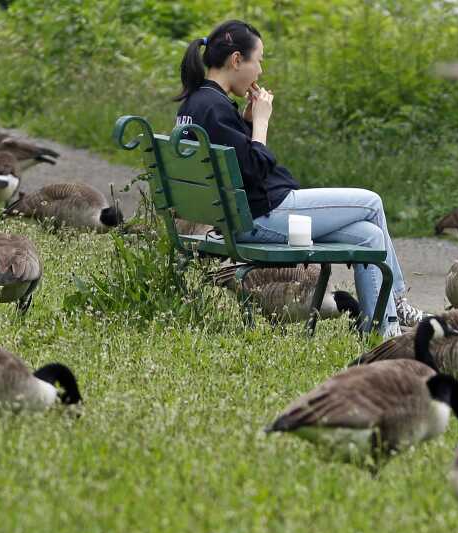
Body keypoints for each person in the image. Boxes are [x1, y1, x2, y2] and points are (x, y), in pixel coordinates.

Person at [174, 20, 425, 336]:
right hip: (261, 216)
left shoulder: (197, 104)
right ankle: (398, 302)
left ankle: (383, 334)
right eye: (258, 60)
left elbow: (233, 163)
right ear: (237, 60)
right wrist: (262, 123)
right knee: (371, 202)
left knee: (369, 237)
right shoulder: (214, 106)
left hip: (238, 214)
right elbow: (254, 168)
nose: (260, 71)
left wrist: (247, 122)